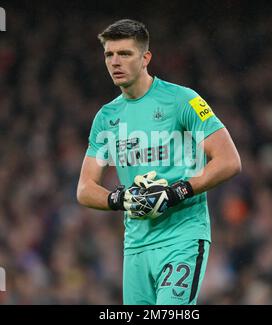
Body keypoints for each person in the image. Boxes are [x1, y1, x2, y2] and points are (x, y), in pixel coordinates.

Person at [77, 19, 241, 305]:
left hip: (183, 237)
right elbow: (85, 188)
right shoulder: (106, 118)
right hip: (136, 246)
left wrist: (177, 191)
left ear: (145, 58)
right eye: (109, 54)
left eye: (125, 54)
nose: (115, 62)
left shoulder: (183, 100)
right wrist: (122, 198)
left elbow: (228, 160)